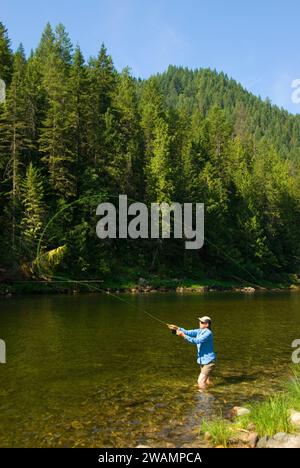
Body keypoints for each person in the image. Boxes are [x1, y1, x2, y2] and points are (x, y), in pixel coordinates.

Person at [168, 316, 216, 391]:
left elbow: (196, 341)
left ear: (207, 324)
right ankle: (212, 393)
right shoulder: (199, 331)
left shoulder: (208, 333)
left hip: (209, 361)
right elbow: (187, 332)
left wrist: (183, 336)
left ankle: (204, 398)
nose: (200, 323)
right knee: (206, 381)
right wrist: (177, 328)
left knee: (200, 381)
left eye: (202, 322)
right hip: (202, 360)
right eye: (200, 321)